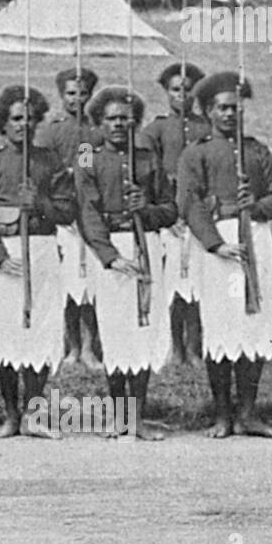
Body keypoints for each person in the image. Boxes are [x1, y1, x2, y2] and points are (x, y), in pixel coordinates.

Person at [177, 71, 272, 439]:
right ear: (208, 111)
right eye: (222, 108)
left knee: (254, 325)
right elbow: (189, 203)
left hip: (254, 240)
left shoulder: (257, 150)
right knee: (222, 326)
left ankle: (248, 413)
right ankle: (222, 414)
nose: (229, 115)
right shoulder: (196, 152)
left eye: (235, 109)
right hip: (221, 244)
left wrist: (257, 206)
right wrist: (214, 243)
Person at [0, 85, 76, 438]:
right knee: (6, 333)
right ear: (3, 122)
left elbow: (67, 209)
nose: (23, 124)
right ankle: (11, 414)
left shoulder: (50, 161)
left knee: (40, 331)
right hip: (7, 256)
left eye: (30, 118)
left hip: (42, 252)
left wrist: (40, 202)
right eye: (16, 118)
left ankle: (33, 412)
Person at [74, 87, 176, 440]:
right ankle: (119, 415)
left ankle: (139, 418)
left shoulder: (148, 158)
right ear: (99, 122)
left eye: (125, 118)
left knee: (143, 329)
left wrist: (144, 207)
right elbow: (85, 210)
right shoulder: (88, 155)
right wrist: (109, 256)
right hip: (112, 250)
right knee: (115, 331)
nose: (119, 124)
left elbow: (169, 210)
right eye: (111, 118)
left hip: (144, 244)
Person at [141, 61, 209, 365]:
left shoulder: (206, 128)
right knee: (170, 283)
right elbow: (150, 173)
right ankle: (174, 346)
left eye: (188, 89)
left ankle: (194, 346)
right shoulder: (155, 129)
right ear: (166, 92)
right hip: (168, 215)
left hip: (199, 212)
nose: (182, 95)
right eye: (175, 89)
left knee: (196, 283)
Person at [35, 67, 103, 371]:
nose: (77, 99)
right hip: (61, 215)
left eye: (83, 93)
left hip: (87, 213)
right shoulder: (52, 131)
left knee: (89, 284)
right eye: (71, 94)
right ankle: (71, 345)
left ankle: (89, 347)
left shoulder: (92, 131)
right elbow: (46, 170)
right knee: (67, 284)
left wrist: (81, 176)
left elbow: (88, 167)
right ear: (62, 96)